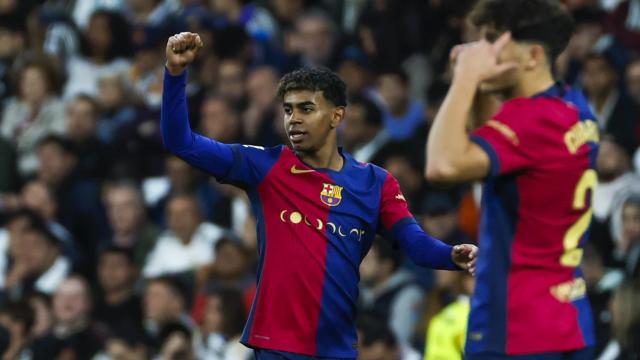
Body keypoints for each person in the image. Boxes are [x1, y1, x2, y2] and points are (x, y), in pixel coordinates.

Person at [161, 32, 477, 359]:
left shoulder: (375, 183)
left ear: (337, 115)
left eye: (306, 109)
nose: (293, 119)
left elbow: (414, 242)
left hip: (336, 349)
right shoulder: (267, 166)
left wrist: (449, 255)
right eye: (288, 110)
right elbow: (180, 142)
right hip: (276, 347)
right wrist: (175, 74)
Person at [426, 0, 597, 358]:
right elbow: (487, 133)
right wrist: (480, 84)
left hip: (517, 325)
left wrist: (464, 79)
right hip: (566, 316)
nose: (481, 52)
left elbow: (442, 166)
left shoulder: (531, 120)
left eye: (492, 41)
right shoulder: (573, 106)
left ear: (532, 55)